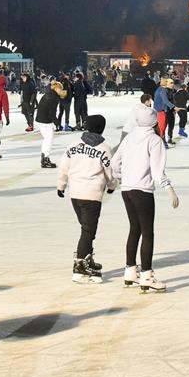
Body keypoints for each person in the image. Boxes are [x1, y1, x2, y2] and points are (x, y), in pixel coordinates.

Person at [112, 106, 179, 293]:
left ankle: (130, 270)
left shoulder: (128, 138)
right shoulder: (154, 140)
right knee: (147, 232)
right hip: (143, 191)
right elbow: (157, 170)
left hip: (127, 190)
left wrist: (120, 178)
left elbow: (114, 162)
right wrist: (169, 188)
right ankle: (147, 275)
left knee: (135, 230)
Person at [57, 114, 117, 284]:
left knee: (86, 229)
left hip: (75, 193)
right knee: (88, 231)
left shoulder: (74, 145)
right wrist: (112, 187)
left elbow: (64, 167)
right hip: (91, 194)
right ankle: (79, 267)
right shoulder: (104, 148)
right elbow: (110, 172)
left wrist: (61, 186)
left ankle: (87, 260)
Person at [35, 81, 64, 169]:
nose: (61, 90)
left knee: (47, 139)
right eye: (60, 89)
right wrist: (57, 123)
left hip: (41, 119)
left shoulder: (50, 94)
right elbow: (52, 113)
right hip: (44, 121)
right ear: (56, 88)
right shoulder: (53, 97)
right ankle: (45, 159)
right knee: (48, 140)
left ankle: (44, 158)